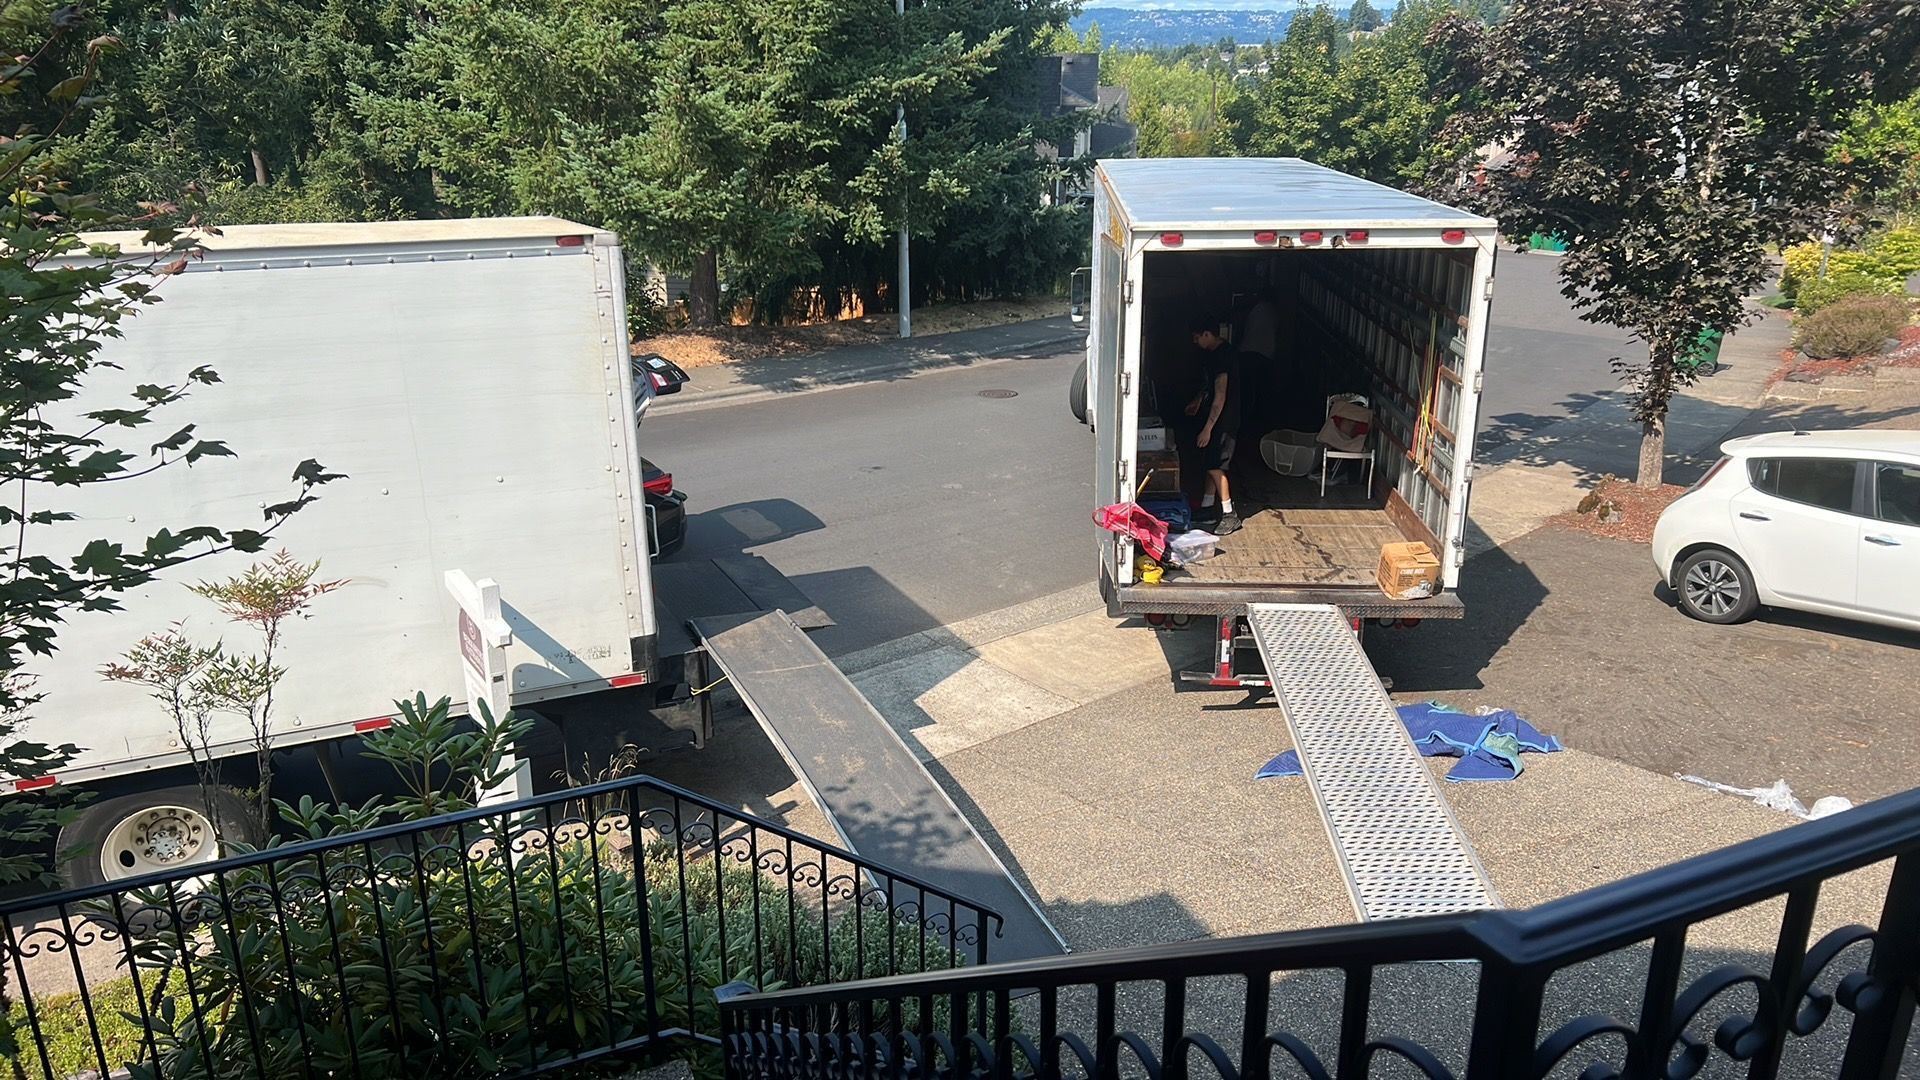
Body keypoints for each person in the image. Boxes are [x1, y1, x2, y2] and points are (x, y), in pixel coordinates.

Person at [1184, 315, 1246, 536]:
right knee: (1210, 462)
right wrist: (1198, 401)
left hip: (1224, 420)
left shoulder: (1224, 356)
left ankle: (1230, 513)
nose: (1195, 342)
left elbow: (1220, 396)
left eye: (1197, 338)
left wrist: (1207, 429)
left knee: (1216, 465)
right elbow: (1209, 388)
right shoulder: (1213, 354)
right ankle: (1207, 507)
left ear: (1207, 334)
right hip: (1217, 418)